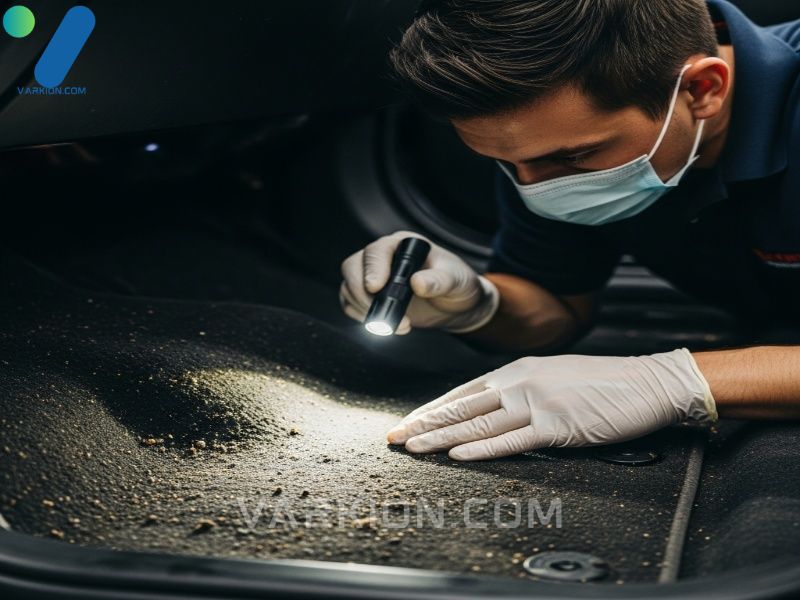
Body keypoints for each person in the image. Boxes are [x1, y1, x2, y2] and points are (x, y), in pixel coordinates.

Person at [339, 0, 800, 461]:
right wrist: (479, 306)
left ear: (702, 89)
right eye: (505, 163)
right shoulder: (542, 147)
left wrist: (674, 382)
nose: (534, 186)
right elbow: (559, 304)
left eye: (572, 158)